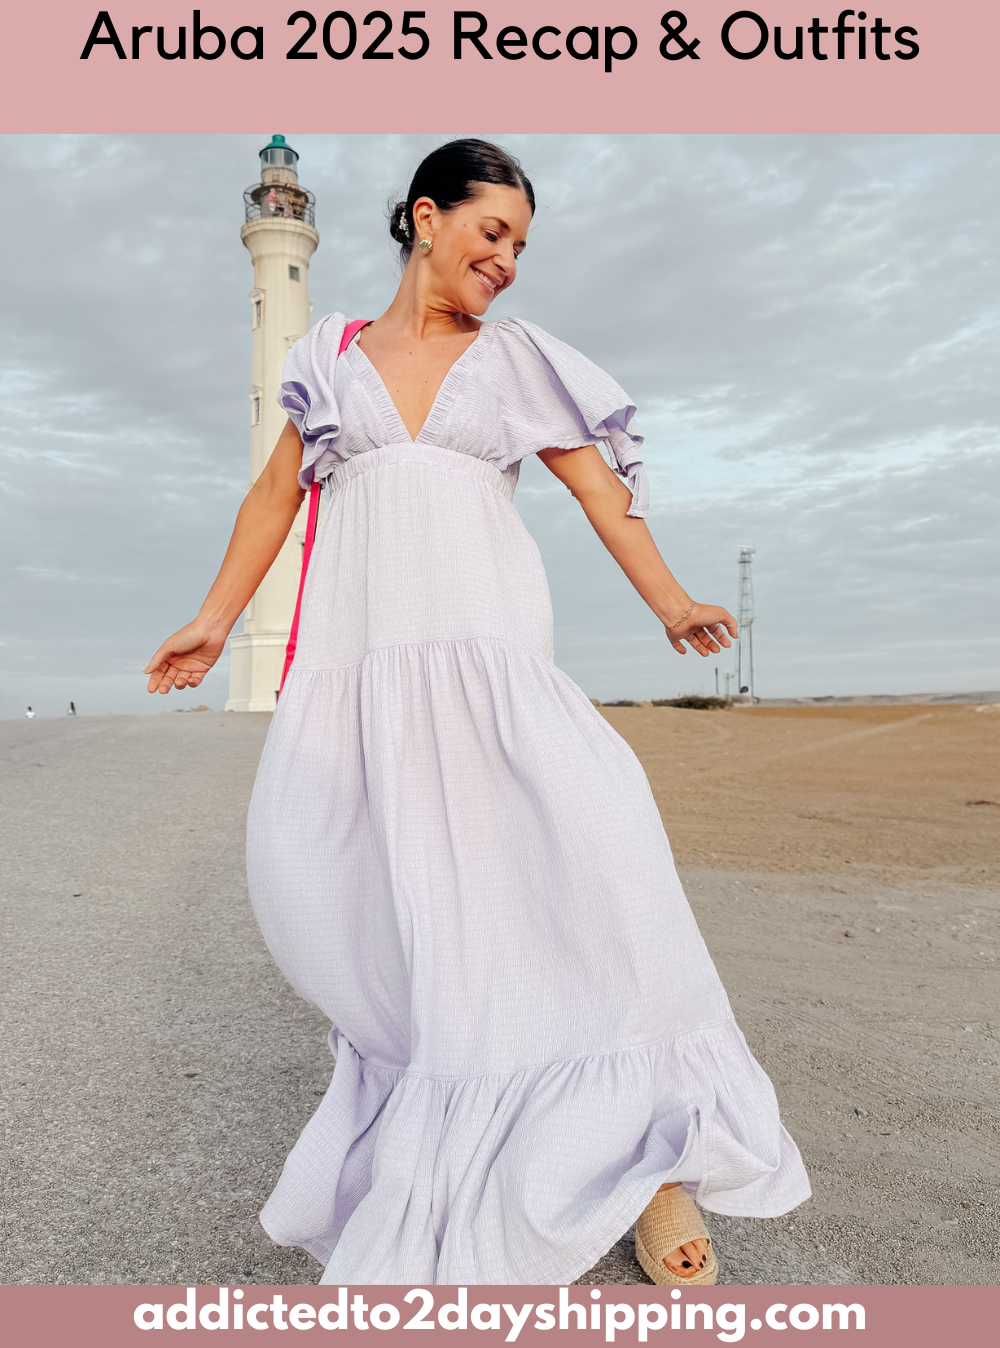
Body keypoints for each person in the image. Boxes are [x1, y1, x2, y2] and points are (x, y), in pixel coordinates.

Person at [145, 139, 809, 1286]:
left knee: (597, 890)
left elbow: (598, 489)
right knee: (403, 938)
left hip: (493, 680)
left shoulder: (512, 360)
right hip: (366, 694)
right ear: (424, 217)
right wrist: (213, 619)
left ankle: (656, 1163)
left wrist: (670, 602)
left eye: (520, 245)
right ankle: (489, 1150)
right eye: (491, 232)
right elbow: (271, 495)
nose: (506, 260)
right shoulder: (328, 355)